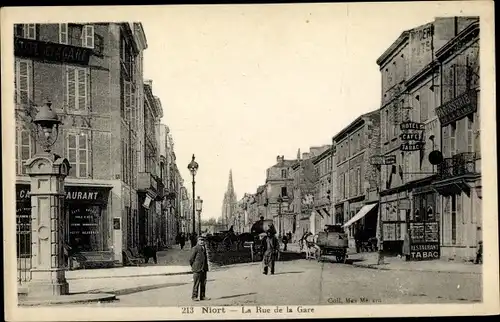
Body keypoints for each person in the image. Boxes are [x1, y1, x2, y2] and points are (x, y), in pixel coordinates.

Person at [189, 235, 210, 301]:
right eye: (200, 240)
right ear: (197, 241)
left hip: (204, 268)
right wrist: (194, 266)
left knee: (203, 283)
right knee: (196, 283)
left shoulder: (204, 248)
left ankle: (202, 296)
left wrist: (206, 267)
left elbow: (205, 259)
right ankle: (194, 296)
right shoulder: (195, 248)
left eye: (203, 240)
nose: (202, 242)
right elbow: (191, 259)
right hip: (197, 269)